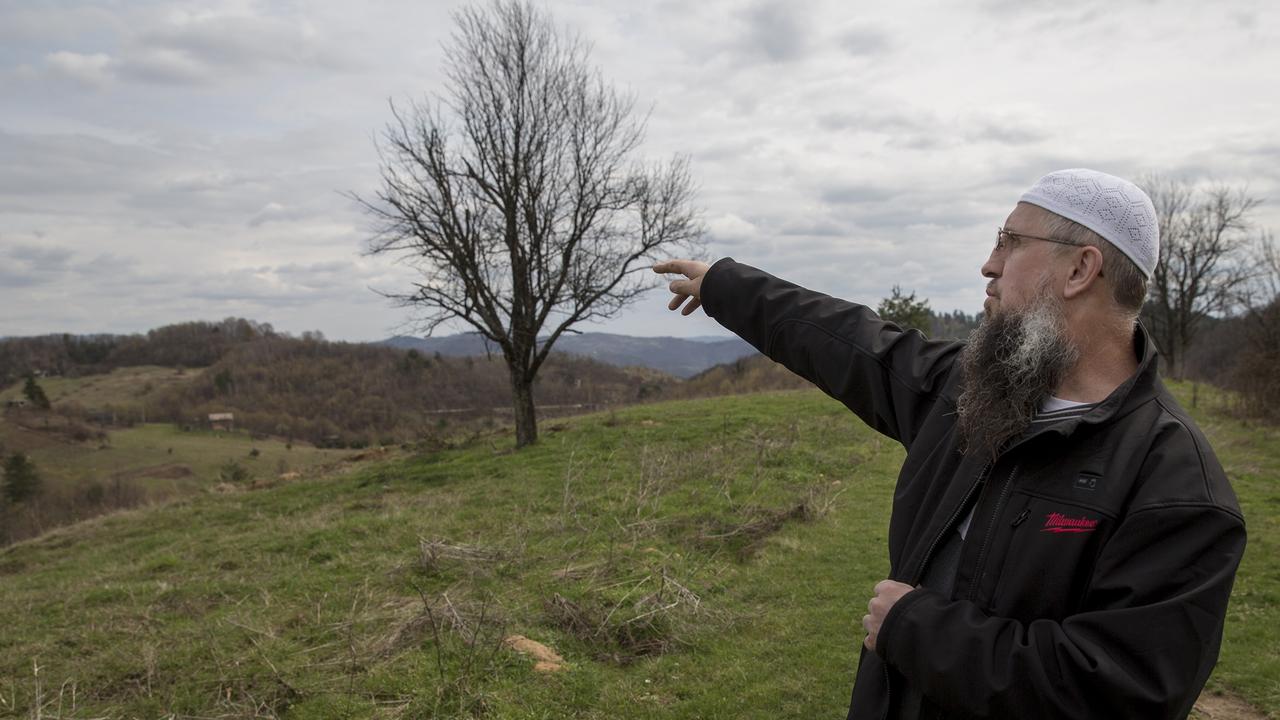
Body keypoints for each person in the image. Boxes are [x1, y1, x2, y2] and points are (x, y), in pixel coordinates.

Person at [653, 169, 1246, 720]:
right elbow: (853, 344)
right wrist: (727, 288)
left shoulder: (1176, 486)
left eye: (1010, 242)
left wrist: (916, 629)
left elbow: (1121, 690)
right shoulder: (975, 393)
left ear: (1079, 270)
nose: (989, 264)